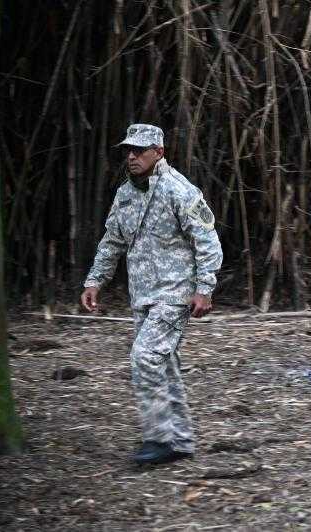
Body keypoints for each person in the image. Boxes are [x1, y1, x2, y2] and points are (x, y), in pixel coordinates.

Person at [81, 124, 223, 465]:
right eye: (128, 150)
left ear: (158, 152)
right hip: (142, 295)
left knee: (144, 357)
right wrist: (94, 281)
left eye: (140, 150)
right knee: (164, 362)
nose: (132, 156)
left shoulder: (180, 190)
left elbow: (208, 241)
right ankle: (181, 441)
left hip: (175, 295)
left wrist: (204, 289)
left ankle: (158, 439)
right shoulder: (125, 194)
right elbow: (112, 241)